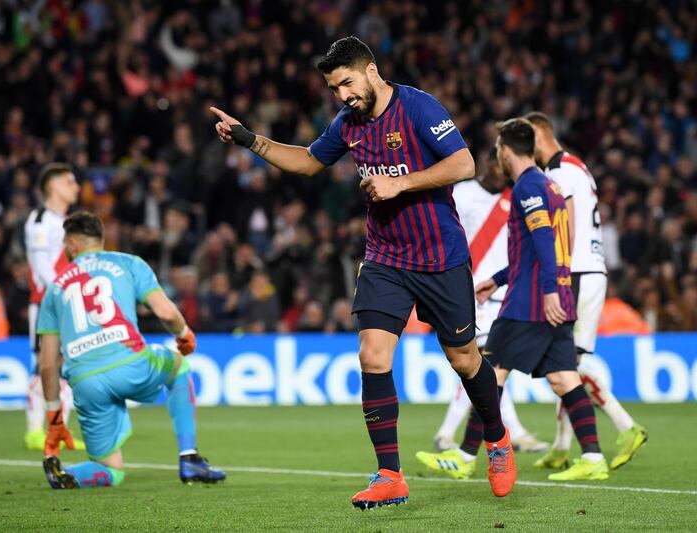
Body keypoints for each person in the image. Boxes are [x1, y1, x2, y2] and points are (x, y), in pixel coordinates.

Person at [210, 36, 515, 506]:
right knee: (373, 357)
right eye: (334, 89)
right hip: (385, 258)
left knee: (464, 359)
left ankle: (496, 439)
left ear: (371, 70)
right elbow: (309, 162)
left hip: (440, 258)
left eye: (346, 84)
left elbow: (464, 162)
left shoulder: (419, 107)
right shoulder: (347, 124)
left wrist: (402, 182)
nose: (342, 95)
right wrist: (249, 138)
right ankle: (389, 475)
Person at [421, 118, 610, 482]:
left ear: (506, 150)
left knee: (488, 376)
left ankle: (463, 455)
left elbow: (543, 240)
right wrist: (497, 279)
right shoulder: (551, 185)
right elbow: (541, 249)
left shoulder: (527, 187)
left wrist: (551, 290)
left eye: (497, 151)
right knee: (564, 379)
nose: (497, 157)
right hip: (549, 297)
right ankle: (593, 456)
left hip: (529, 303)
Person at [37, 211, 226, 488]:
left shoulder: (54, 289)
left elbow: (48, 364)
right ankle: (189, 458)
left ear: (74, 244)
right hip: (131, 364)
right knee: (179, 367)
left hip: (85, 381)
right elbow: (165, 310)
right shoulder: (128, 263)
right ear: (100, 240)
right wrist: (183, 334)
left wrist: (54, 420)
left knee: (112, 470)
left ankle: (69, 474)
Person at [525, 111, 648, 470]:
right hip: (589, 269)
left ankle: (625, 426)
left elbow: (563, 224)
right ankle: (563, 445)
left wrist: (554, 273)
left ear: (539, 136)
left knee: (564, 364)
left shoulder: (559, 172)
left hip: (574, 271)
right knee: (564, 362)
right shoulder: (577, 166)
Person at [417, 150, 549, 474]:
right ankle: (488, 436)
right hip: (466, 288)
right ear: (487, 164)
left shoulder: (514, 198)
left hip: (500, 290)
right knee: (485, 367)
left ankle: (460, 435)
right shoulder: (462, 193)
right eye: (495, 165)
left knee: (489, 365)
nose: (499, 172)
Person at [23, 163, 85, 451]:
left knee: (66, 366)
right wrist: (65, 291)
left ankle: (58, 428)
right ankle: (35, 431)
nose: (77, 187)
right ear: (54, 185)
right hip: (46, 304)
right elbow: (41, 268)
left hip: (68, 302)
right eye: (70, 182)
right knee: (43, 366)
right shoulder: (39, 220)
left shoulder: (69, 221)